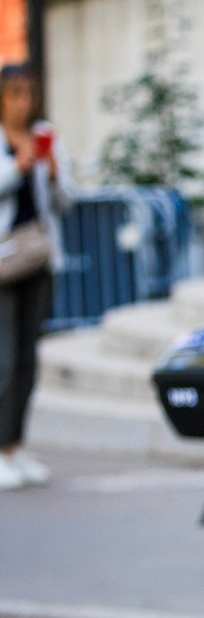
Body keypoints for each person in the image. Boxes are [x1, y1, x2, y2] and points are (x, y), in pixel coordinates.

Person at [0, 62, 67, 490]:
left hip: (39, 258)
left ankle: (15, 445)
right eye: (15, 93)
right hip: (3, 261)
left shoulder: (43, 135)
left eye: (29, 93)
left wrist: (55, 173)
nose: (24, 102)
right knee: (3, 359)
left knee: (27, 359)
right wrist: (18, 166)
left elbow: (65, 201)